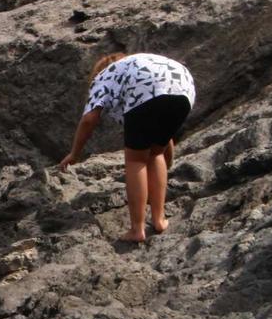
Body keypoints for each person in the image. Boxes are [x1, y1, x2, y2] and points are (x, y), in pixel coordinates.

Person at [58, 52, 195, 243]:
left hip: (148, 89)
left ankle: (137, 229)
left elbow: (89, 119)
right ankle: (159, 220)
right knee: (155, 154)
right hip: (183, 86)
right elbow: (164, 142)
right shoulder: (137, 64)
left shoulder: (104, 75)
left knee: (136, 159)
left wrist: (74, 153)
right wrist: (167, 162)